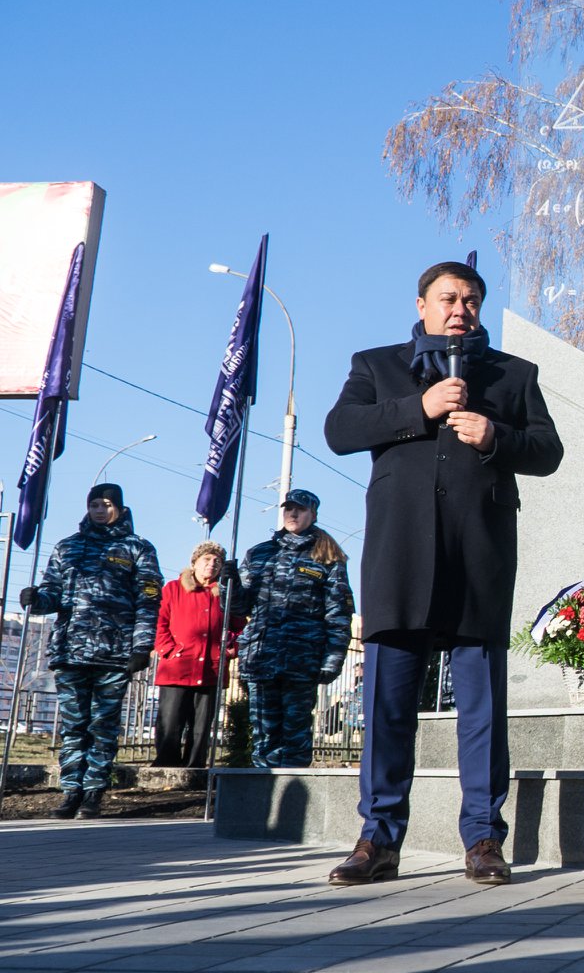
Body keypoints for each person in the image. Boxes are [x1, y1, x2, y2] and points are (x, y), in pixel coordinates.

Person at [325, 260, 562, 886]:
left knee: (482, 710)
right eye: (449, 298)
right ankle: (378, 839)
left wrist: (495, 436)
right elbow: (340, 431)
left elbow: (548, 451)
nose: (461, 309)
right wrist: (418, 406)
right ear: (423, 304)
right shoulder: (376, 366)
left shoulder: (514, 374)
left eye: (472, 299)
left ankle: (484, 839)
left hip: (477, 559)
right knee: (386, 708)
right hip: (399, 560)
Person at [17, 484, 161, 819]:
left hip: (114, 653)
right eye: (94, 504)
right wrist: (36, 600)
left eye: (107, 504)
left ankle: (94, 792)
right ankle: (70, 792)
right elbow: (53, 593)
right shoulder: (68, 547)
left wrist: (142, 646)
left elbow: (149, 600)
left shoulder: (137, 548)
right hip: (71, 651)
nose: (99, 510)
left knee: (102, 726)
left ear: (120, 509)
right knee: (73, 726)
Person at [226, 490, 354, 769]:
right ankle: (263, 798)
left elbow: (338, 615)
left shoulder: (328, 557)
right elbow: (240, 608)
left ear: (313, 514)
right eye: (289, 509)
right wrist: (229, 583)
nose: (293, 514)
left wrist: (332, 660)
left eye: (300, 510)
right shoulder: (260, 553)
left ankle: (293, 803)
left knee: (295, 735)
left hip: (302, 659)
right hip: (262, 657)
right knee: (264, 734)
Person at [152, 542, 241, 768]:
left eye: (217, 562)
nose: (211, 565)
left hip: (211, 668)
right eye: (206, 560)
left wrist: (232, 649)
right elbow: (159, 622)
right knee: (170, 721)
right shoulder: (173, 588)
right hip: (177, 667)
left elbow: (240, 626)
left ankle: (195, 768)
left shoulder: (224, 594)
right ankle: (166, 766)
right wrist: (169, 650)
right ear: (194, 563)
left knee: (201, 725)